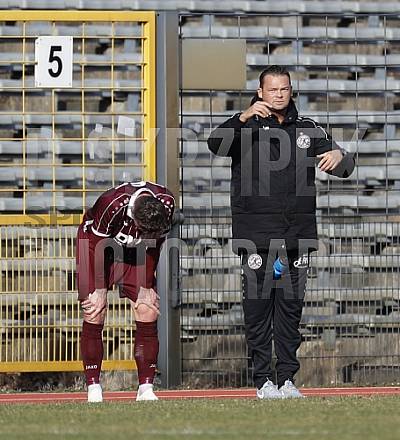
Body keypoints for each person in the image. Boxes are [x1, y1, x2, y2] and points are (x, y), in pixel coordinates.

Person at [207, 65, 355, 399]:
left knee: (290, 313)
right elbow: (215, 143)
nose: (278, 94)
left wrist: (340, 154)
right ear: (260, 92)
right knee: (258, 312)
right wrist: (242, 117)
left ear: (291, 90)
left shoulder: (307, 129)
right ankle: (263, 381)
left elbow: (346, 168)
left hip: (297, 237)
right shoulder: (245, 127)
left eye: (284, 89)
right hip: (256, 236)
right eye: (272, 89)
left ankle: (287, 379)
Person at [76, 180, 175, 402]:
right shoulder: (112, 204)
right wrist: (100, 290)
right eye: (144, 231)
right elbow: (96, 245)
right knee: (95, 310)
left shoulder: (167, 203)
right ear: (134, 219)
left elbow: (155, 245)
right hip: (94, 246)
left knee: (147, 308)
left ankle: (146, 387)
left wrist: (146, 285)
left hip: (137, 252)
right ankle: (93, 387)